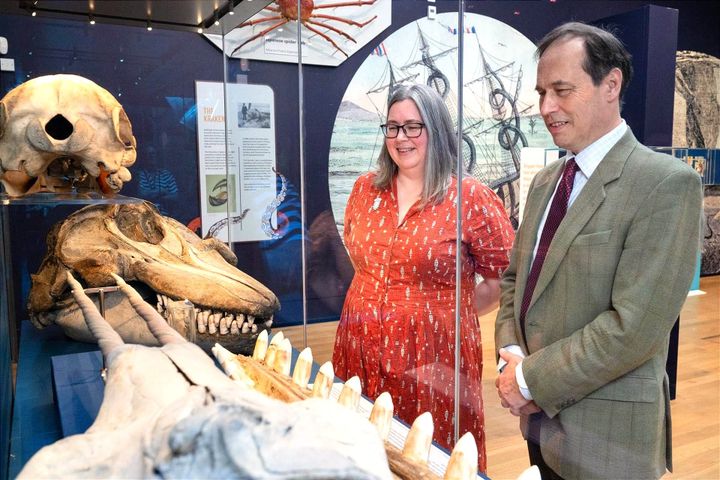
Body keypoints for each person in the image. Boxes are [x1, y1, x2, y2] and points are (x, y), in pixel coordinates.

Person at [494, 22, 704, 480]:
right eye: (542, 91)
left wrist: (528, 379)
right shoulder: (547, 182)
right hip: (540, 424)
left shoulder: (665, 184)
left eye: (562, 90)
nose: (546, 107)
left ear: (611, 84)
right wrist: (511, 354)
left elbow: (635, 329)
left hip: (607, 439)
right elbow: (517, 280)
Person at [332, 83, 515, 472]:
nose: (401, 138)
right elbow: (362, 260)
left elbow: (503, 280)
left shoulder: (470, 198)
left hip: (432, 356)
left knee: (429, 454)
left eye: (413, 126)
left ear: (436, 130)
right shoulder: (365, 190)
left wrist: (446, 313)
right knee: (362, 448)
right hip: (359, 342)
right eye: (393, 127)